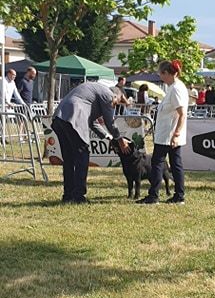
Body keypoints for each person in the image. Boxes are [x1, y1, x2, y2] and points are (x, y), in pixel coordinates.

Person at [51, 82, 130, 204]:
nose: (114, 106)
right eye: (116, 103)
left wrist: (108, 138)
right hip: (73, 116)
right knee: (82, 156)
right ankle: (78, 196)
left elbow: (92, 122)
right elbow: (110, 122)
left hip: (59, 118)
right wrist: (120, 140)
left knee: (69, 159)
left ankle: (68, 195)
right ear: (117, 96)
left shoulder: (94, 93)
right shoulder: (108, 94)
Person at [136, 59, 188, 205]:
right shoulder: (173, 87)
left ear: (170, 73)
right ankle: (178, 195)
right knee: (174, 163)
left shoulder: (176, 88)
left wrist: (176, 134)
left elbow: (182, 113)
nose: (161, 76)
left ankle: (154, 195)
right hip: (167, 133)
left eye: (162, 73)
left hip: (168, 135)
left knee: (158, 162)